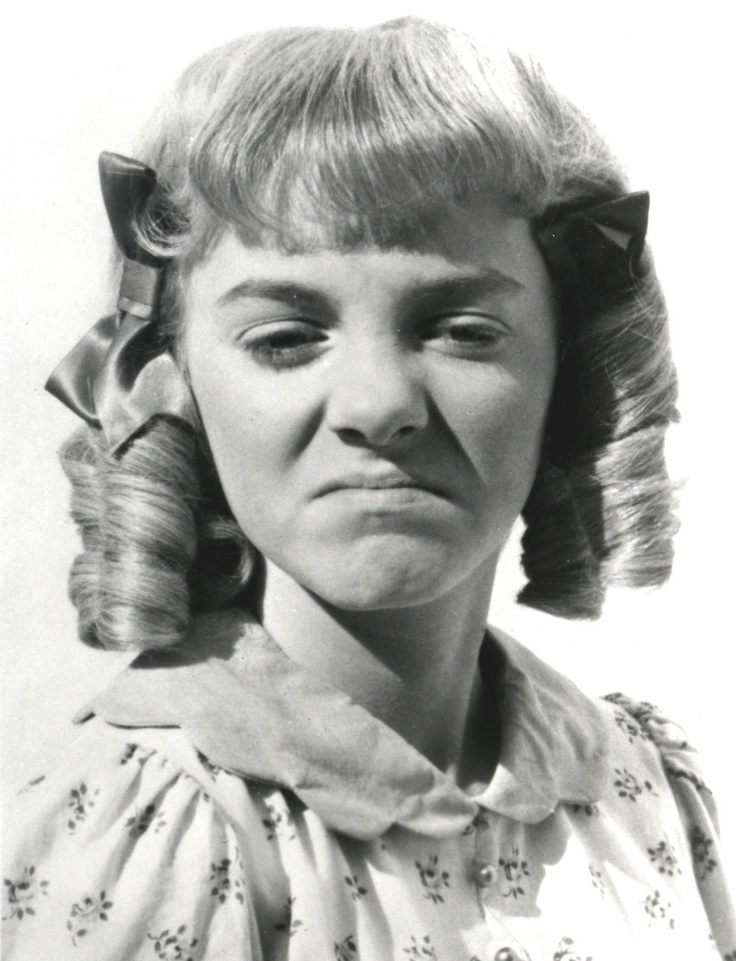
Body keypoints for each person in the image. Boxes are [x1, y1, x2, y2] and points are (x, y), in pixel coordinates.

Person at [2, 16, 733, 961]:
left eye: (462, 329)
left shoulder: (638, 786)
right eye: (285, 339)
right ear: (167, 380)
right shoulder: (154, 830)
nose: (378, 405)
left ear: (572, 369)